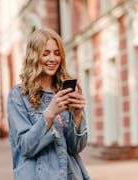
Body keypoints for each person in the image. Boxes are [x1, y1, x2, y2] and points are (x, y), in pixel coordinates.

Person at [7, 28, 90, 180]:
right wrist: (50, 113)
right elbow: (25, 147)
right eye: (45, 53)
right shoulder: (18, 96)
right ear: (34, 56)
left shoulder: (65, 91)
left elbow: (76, 148)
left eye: (57, 53)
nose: (52, 59)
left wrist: (78, 116)